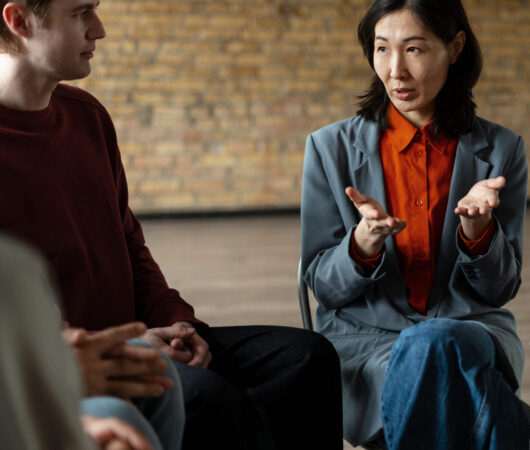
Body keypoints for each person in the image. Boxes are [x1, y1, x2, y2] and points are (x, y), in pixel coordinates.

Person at [0, 1, 343, 449]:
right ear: (19, 21)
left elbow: (130, 244)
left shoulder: (88, 116)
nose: (98, 29)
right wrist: (129, 343)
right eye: (81, 12)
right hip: (77, 359)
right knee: (206, 398)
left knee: (307, 358)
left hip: (145, 335)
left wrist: (179, 324)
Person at [301, 0, 530, 448]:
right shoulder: (329, 149)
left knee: (436, 346)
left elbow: (500, 289)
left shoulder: (503, 150)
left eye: (414, 49)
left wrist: (478, 233)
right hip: (368, 337)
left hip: (469, 328)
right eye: (382, 49)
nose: (395, 71)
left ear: (455, 48)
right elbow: (325, 288)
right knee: (453, 376)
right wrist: (362, 245)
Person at [0, 233, 152, 450]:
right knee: (117, 411)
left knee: (156, 369)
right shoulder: (14, 268)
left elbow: (137, 253)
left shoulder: (17, 265)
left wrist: (178, 318)